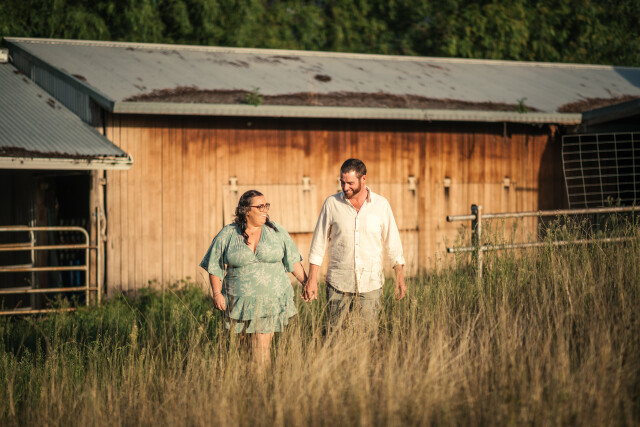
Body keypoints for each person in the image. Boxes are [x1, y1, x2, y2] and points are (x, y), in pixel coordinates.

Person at [200, 190, 307, 366]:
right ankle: (251, 381)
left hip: (270, 299)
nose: (265, 210)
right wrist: (217, 293)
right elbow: (214, 264)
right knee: (246, 351)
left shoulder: (276, 231)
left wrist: (307, 283)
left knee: (260, 347)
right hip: (238, 302)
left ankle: (261, 382)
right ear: (246, 210)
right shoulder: (228, 233)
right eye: (260, 206)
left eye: (266, 206)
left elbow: (293, 260)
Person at [303, 158, 406, 330]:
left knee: (367, 335)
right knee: (334, 335)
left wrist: (399, 278)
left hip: (371, 284)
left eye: (350, 183)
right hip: (338, 285)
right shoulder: (331, 204)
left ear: (363, 179)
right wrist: (312, 279)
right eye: (342, 182)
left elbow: (393, 243)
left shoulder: (381, 205)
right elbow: (318, 243)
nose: (345, 187)